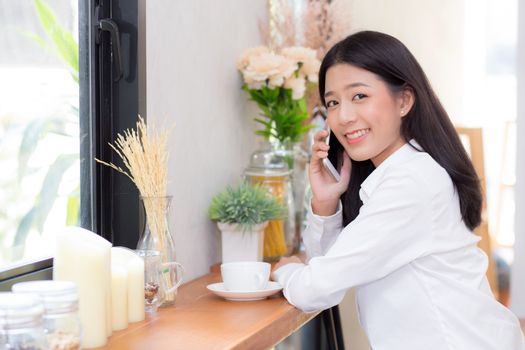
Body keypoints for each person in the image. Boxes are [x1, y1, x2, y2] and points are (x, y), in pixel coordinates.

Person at [271, 30, 525, 350]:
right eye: (333, 102)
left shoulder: (411, 184)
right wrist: (325, 202)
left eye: (359, 96)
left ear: (404, 100)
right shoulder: (396, 176)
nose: (344, 116)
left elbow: (316, 287)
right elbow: (328, 264)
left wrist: (285, 271)